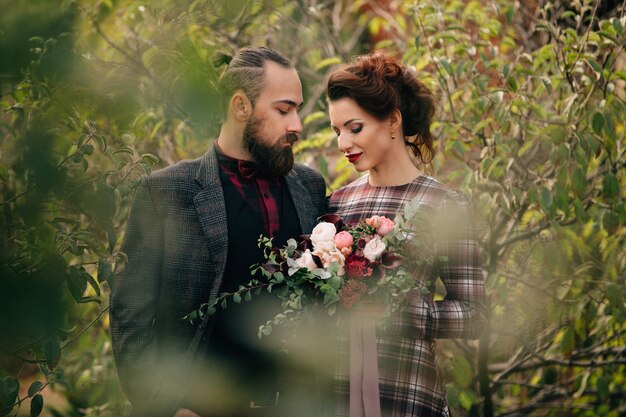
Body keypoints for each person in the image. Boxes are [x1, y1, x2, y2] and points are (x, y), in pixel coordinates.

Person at [110, 47, 327, 417]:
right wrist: (166, 406)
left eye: (297, 109)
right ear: (240, 106)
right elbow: (130, 312)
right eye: (284, 109)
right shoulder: (167, 191)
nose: (297, 125)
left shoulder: (310, 186)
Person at [326, 52, 486, 417]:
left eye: (354, 128)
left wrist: (408, 312)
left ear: (392, 120)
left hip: (406, 395)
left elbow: (475, 313)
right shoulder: (336, 204)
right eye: (337, 131)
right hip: (334, 393)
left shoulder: (443, 204)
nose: (342, 143)